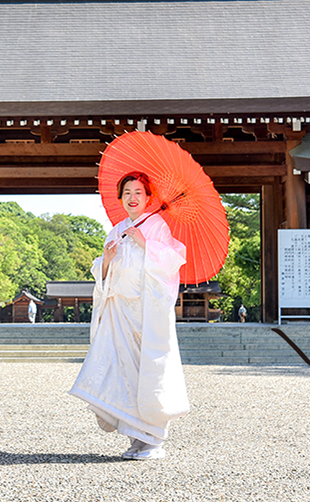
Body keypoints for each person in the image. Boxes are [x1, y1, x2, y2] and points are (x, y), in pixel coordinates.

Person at [68, 171, 190, 460]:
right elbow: (104, 276)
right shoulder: (116, 229)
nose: (133, 198)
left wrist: (147, 244)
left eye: (138, 192)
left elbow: (172, 263)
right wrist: (106, 262)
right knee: (122, 373)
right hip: (119, 313)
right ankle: (136, 436)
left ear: (148, 197)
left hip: (147, 315)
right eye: (127, 193)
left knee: (148, 371)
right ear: (120, 198)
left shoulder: (157, 226)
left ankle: (154, 439)